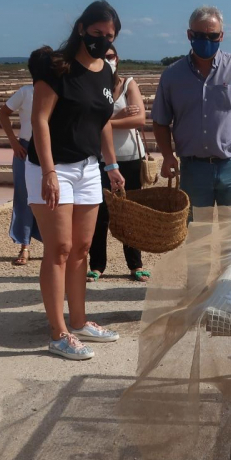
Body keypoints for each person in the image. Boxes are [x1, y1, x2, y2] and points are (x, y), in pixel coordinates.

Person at [27, 0, 126, 361]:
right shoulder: (57, 67)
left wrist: (111, 165)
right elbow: (40, 120)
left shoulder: (106, 72)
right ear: (82, 28)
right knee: (59, 249)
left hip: (87, 168)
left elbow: (101, 122)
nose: (102, 39)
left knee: (83, 249)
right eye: (97, 33)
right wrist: (49, 172)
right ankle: (58, 332)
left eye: (109, 35)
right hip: (51, 166)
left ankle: (80, 321)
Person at [151, 6, 231, 211]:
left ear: (221, 36)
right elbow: (160, 121)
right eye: (199, 35)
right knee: (197, 235)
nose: (206, 41)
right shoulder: (172, 75)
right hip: (193, 168)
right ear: (189, 35)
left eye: (212, 36)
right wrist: (168, 155)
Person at [87, 44, 150, 282]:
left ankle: (135, 265)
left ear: (117, 58)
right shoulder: (92, 86)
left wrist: (107, 122)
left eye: (110, 56)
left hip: (131, 157)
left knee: (130, 213)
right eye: (102, 56)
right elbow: (88, 122)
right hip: (100, 158)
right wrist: (118, 117)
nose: (107, 60)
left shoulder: (128, 84)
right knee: (99, 213)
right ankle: (97, 265)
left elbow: (140, 118)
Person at [0, 50, 46, 265]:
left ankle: (54, 245)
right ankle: (25, 246)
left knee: (54, 197)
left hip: (53, 150)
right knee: (25, 198)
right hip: (25, 149)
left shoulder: (61, 92)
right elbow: (3, 113)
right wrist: (14, 142)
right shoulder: (26, 92)